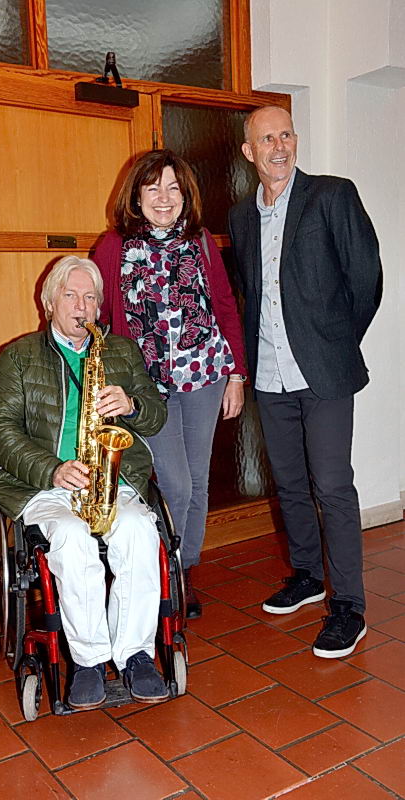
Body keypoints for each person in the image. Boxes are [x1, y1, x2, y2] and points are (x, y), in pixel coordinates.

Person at [229, 105, 382, 658]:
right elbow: (248, 292)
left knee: (333, 487)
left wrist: (334, 343)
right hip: (269, 374)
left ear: (295, 140)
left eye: (286, 135)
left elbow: (366, 278)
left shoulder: (332, 195)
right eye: (267, 139)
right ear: (249, 152)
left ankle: (349, 607)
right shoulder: (241, 217)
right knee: (290, 484)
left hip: (323, 374)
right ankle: (308, 576)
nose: (279, 147)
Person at [0, 255, 169, 709]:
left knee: (139, 531)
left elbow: (156, 416)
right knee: (71, 537)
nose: (81, 306)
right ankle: (89, 662)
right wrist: (52, 468)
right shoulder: (18, 356)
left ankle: (136, 655)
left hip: (111, 477)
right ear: (49, 302)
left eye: (90, 297)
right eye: (70, 295)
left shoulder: (120, 351)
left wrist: (131, 404)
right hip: (42, 483)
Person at [94, 149, 247, 619]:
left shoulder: (199, 241)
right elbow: (99, 316)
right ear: (136, 195)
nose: (164, 197)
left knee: (197, 479)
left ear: (185, 195)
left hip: (204, 374)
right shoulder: (114, 245)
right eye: (153, 187)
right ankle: (160, 570)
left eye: (174, 188)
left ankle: (183, 569)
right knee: (175, 484)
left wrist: (236, 374)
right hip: (146, 387)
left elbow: (224, 306)